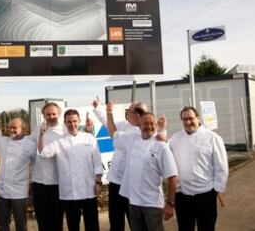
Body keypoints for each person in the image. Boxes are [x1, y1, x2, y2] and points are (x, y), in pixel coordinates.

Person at [106, 102, 178, 231]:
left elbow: (172, 177)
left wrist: (170, 204)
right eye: (145, 123)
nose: (148, 126)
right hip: (134, 203)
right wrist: (109, 113)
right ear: (139, 125)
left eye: (151, 123)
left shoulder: (161, 144)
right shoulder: (131, 138)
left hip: (153, 204)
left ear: (156, 125)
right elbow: (113, 133)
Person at [38, 109, 103, 231]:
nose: (72, 124)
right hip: (69, 192)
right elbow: (43, 153)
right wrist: (41, 135)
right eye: (69, 122)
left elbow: (97, 162)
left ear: (79, 122)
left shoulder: (89, 138)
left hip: (89, 189)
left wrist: (98, 182)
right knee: (73, 226)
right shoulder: (59, 141)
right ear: (65, 122)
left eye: (75, 121)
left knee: (92, 225)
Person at [92, 97, 148, 231]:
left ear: (138, 115)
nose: (127, 113)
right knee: (116, 220)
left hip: (133, 184)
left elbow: (113, 132)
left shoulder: (142, 132)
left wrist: (109, 112)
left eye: (129, 111)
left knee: (135, 220)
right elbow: (108, 123)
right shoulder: (125, 125)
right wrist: (100, 109)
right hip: (116, 181)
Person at [169, 106, 229, 231]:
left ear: (198, 118)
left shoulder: (212, 138)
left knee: (206, 228)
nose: (188, 122)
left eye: (191, 118)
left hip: (205, 195)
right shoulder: (175, 138)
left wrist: (215, 190)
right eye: (184, 119)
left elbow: (222, 167)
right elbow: (164, 153)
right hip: (183, 196)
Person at [0, 118, 36, 231]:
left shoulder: (30, 144)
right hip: (2, 189)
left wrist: (32, 183)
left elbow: (35, 164)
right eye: (10, 127)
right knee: (2, 224)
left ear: (23, 129)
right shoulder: (3, 141)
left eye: (14, 127)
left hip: (19, 190)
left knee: (20, 224)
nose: (11, 130)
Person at [30, 102, 65, 231]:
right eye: (48, 114)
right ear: (43, 115)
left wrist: (89, 130)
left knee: (57, 218)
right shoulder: (38, 128)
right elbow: (28, 144)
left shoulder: (64, 129)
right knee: (42, 218)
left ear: (59, 114)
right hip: (39, 181)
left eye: (54, 114)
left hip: (57, 181)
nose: (51, 116)